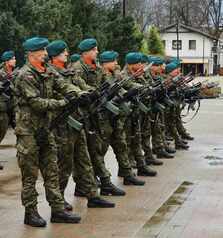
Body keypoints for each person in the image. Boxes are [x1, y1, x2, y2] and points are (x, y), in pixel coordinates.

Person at [15, 37, 83, 227]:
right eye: (42, 50)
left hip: (46, 129)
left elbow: (63, 84)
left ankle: (58, 211)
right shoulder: (25, 75)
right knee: (29, 176)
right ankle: (30, 213)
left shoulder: (48, 71)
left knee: (52, 172)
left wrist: (77, 93)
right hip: (28, 132)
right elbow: (36, 103)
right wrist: (63, 103)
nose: (46, 53)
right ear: (32, 54)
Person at [46, 40, 116, 207]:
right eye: (64, 53)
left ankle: (92, 196)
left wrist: (93, 93)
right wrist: (78, 95)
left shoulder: (69, 71)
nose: (67, 54)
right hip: (62, 125)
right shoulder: (51, 73)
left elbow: (82, 87)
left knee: (84, 160)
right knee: (65, 164)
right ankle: (59, 199)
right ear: (55, 56)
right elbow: (59, 94)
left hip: (77, 121)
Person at [0, 50, 17, 169]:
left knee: (21, 131)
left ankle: (22, 154)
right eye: (13, 58)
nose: (15, 60)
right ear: (7, 61)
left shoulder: (15, 73)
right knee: (1, 132)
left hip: (14, 106)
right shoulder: (0, 73)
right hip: (3, 108)